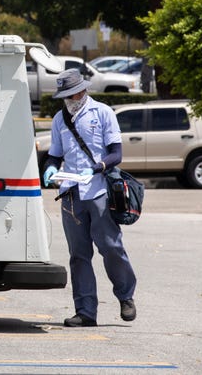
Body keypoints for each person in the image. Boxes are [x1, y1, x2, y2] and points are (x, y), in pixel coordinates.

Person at [42, 68, 137, 327]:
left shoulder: (103, 113)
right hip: (71, 193)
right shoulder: (60, 119)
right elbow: (55, 154)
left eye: (73, 95)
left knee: (111, 247)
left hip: (99, 191)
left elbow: (116, 154)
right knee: (78, 255)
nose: (70, 100)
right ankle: (85, 311)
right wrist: (50, 168)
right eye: (66, 96)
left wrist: (97, 167)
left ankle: (125, 295)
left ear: (83, 91)